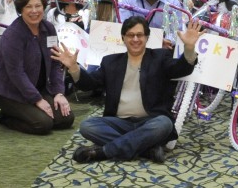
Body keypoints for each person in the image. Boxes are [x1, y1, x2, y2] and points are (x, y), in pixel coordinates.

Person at [53, 16, 202, 163]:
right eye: (130, 35)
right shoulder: (110, 62)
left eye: (139, 35)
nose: (135, 39)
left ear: (147, 37)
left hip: (150, 121)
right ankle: (146, 148)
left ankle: (104, 152)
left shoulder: (160, 57)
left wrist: (189, 48)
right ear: (123, 37)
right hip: (118, 122)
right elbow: (90, 84)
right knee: (87, 126)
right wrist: (73, 68)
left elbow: (181, 69)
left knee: (164, 123)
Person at [0, 0, 75, 135]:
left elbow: (55, 62)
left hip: (37, 87)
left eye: (38, 6)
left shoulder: (48, 29)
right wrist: (37, 100)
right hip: (10, 92)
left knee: (66, 119)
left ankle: (29, 110)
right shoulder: (13, 35)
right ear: (21, 9)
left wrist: (58, 93)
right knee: (43, 124)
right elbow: (16, 73)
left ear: (44, 7)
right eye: (28, 7)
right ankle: (5, 117)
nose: (34, 11)